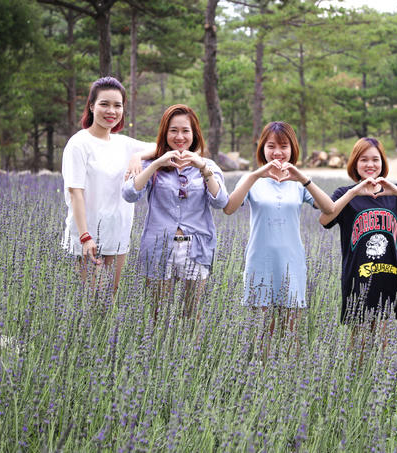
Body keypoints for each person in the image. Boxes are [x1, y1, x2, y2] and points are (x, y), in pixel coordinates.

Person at [224, 121, 334, 350]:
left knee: (290, 336)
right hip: (259, 262)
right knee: (261, 335)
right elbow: (229, 208)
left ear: (292, 148)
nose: (277, 152)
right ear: (262, 148)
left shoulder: (298, 183)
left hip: (291, 263)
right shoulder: (252, 180)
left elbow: (329, 208)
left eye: (284, 146)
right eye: (271, 146)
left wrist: (303, 179)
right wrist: (256, 175)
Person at [122, 104, 228, 323]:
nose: (180, 137)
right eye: (173, 131)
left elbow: (220, 202)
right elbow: (129, 194)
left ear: (194, 133)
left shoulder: (207, 165)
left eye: (185, 131)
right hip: (159, 247)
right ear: (165, 133)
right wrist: (155, 164)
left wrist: (203, 169)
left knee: (191, 317)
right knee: (158, 317)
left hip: (196, 248)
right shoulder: (151, 164)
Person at [319, 137, 397, 333]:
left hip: (389, 278)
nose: (370, 164)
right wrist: (354, 192)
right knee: (360, 342)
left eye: (375, 159)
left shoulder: (396, 194)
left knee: (383, 343)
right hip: (358, 280)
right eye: (363, 159)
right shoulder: (344, 194)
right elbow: (324, 220)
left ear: (383, 162)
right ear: (355, 163)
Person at [62, 76, 155, 293]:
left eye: (117, 105)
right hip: (88, 235)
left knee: (110, 299)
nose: (111, 111)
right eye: (104, 104)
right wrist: (85, 237)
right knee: (91, 300)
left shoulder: (123, 143)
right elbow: (75, 193)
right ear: (91, 106)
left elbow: (163, 146)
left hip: (118, 234)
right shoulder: (79, 143)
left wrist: (138, 156)